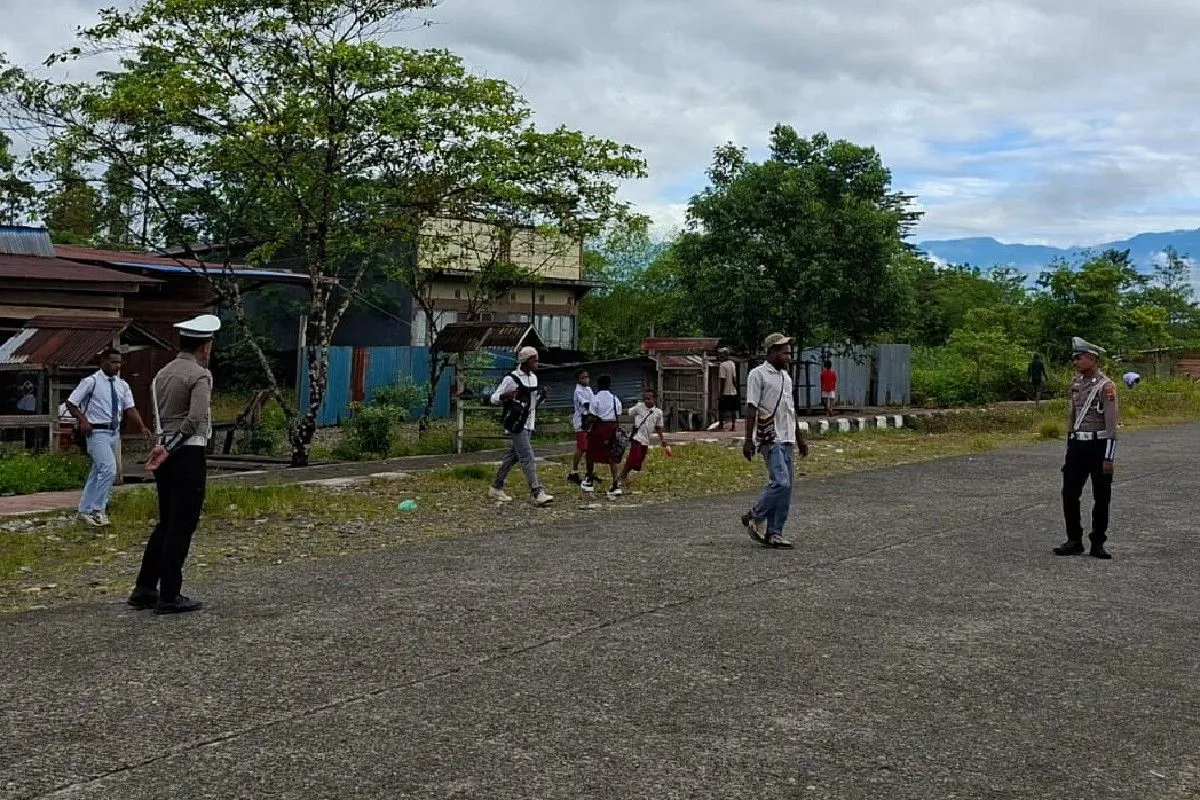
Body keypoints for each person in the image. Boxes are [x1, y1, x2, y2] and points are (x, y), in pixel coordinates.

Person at [131, 315, 221, 614]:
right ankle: (170, 593)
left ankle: (145, 588)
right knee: (183, 523)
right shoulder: (200, 376)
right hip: (186, 452)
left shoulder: (162, 374)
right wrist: (171, 448)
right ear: (205, 346)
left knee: (166, 521)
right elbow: (195, 418)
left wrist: (164, 447)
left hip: (163, 448)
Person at [66, 347, 152, 528]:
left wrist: (142, 427)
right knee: (108, 469)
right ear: (103, 362)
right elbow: (71, 403)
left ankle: (84, 509)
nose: (117, 366)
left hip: (113, 431)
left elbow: (130, 408)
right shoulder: (91, 382)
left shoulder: (122, 385)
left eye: (119, 362)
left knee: (98, 471)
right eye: (113, 362)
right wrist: (83, 420)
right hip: (96, 432)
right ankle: (98, 509)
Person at [741, 333, 809, 549]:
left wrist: (800, 439)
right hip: (770, 437)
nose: (789, 357)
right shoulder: (757, 375)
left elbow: (791, 410)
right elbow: (751, 408)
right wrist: (748, 440)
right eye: (784, 353)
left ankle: (775, 532)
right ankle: (754, 515)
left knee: (786, 490)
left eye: (789, 352)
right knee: (781, 482)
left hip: (787, 438)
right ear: (771, 352)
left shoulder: (786, 378)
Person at [1053, 337, 1118, 560]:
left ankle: (1098, 542)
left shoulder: (1106, 386)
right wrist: (1069, 446)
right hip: (1077, 446)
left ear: (1091, 358)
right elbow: (1072, 418)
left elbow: (1111, 425)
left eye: (1079, 358)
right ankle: (1074, 540)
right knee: (1069, 493)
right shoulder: (1076, 383)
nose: (1075, 362)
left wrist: (1109, 457)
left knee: (1101, 496)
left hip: (1098, 445)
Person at [488, 346, 553, 507]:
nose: (537, 363)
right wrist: (505, 396)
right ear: (525, 361)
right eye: (534, 360)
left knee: (514, 455)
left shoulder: (534, 378)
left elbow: (532, 403)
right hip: (516, 422)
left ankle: (496, 486)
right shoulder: (512, 378)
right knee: (527, 456)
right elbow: (493, 398)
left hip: (529, 421)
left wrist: (541, 397)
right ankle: (537, 491)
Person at [617, 388, 672, 487]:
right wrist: (616, 411)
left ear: (655, 399)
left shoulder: (658, 412)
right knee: (635, 458)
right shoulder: (639, 407)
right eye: (645, 399)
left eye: (649, 399)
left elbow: (658, 427)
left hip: (646, 440)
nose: (646, 401)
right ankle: (622, 476)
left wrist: (662, 439)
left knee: (637, 465)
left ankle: (623, 474)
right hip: (637, 437)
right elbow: (628, 412)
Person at [581, 375, 623, 497]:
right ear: (609, 385)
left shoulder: (595, 398)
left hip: (599, 428)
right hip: (612, 428)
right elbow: (619, 412)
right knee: (612, 457)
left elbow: (592, 414)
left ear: (598, 385)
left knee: (590, 454)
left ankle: (589, 480)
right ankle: (615, 484)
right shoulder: (615, 399)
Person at [567, 369, 593, 485]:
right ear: (578, 379)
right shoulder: (578, 391)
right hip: (581, 422)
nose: (586, 379)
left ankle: (588, 472)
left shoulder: (588, 389)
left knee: (588, 448)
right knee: (582, 447)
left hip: (589, 421)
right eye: (583, 377)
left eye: (587, 376)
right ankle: (574, 471)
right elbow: (587, 404)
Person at [714, 349, 740, 431]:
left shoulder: (722, 365)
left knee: (721, 409)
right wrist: (735, 388)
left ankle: (721, 425)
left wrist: (721, 393)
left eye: (721, 355)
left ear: (724, 355)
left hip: (725, 392)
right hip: (733, 391)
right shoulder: (732, 363)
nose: (719, 356)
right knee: (733, 410)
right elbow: (734, 378)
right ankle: (733, 426)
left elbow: (723, 379)